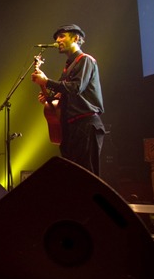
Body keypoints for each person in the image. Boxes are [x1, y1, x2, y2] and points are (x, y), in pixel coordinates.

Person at [31, 24, 105, 175]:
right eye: (57, 37)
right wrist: (48, 96)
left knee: (87, 175)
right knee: (73, 175)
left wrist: (46, 82)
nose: (58, 40)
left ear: (76, 38)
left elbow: (76, 88)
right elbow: (62, 94)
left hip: (86, 124)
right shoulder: (68, 67)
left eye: (62, 36)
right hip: (70, 127)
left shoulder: (85, 60)